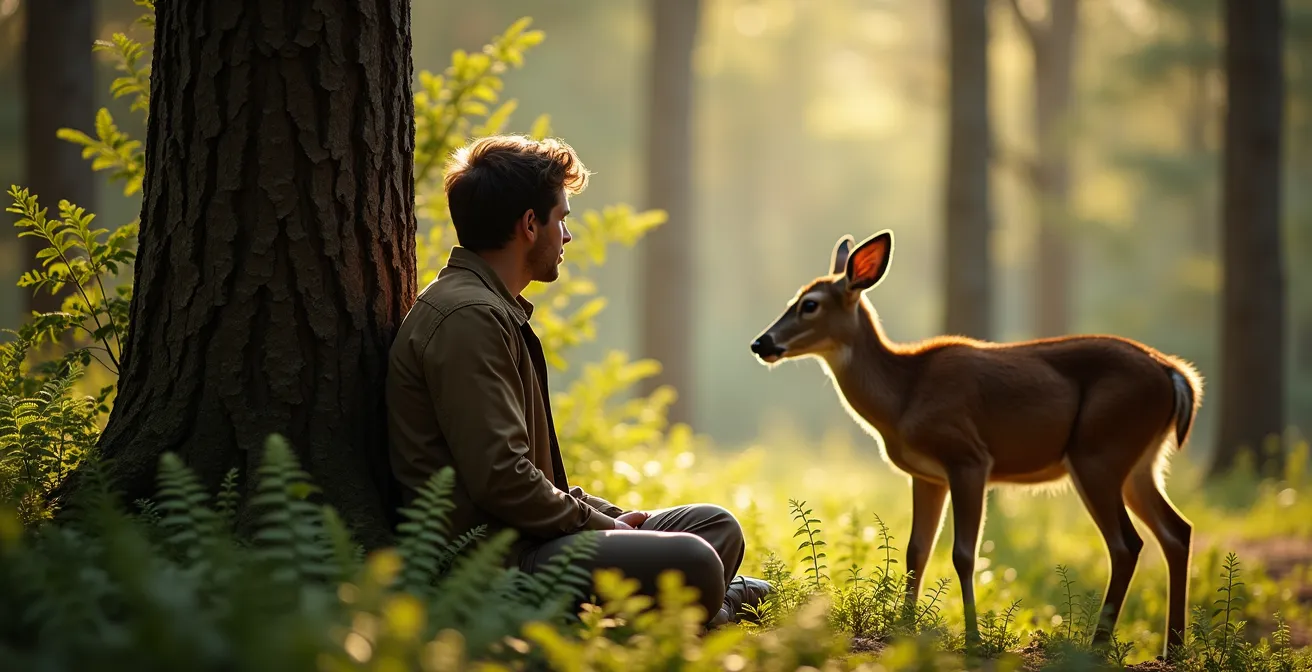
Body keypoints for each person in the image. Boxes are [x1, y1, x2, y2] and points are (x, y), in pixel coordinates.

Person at [385, 134, 771, 626]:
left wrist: (607, 515)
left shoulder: (486, 309)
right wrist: (608, 527)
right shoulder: (468, 319)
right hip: (498, 563)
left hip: (538, 535)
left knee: (715, 527)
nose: (567, 236)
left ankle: (704, 600)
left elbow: (530, 477)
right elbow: (503, 481)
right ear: (530, 225)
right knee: (695, 560)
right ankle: (710, 603)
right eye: (562, 219)